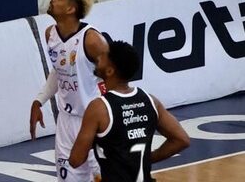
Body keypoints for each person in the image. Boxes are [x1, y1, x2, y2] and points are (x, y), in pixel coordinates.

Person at [69, 41, 190, 181]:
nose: (97, 58)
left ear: (110, 71)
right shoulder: (150, 101)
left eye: (102, 57)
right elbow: (182, 140)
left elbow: (75, 160)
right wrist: (147, 158)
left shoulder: (99, 108)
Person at [29, 0, 109, 182]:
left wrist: (110, 118)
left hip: (93, 122)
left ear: (71, 9)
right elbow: (60, 71)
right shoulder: (51, 34)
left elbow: (114, 80)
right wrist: (39, 101)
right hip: (66, 122)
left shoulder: (93, 41)